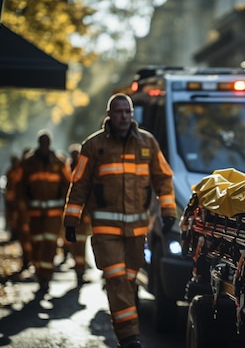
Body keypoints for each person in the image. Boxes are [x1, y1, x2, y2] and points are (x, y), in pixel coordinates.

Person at [63, 93, 176, 348]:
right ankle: (129, 337)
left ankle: (127, 321)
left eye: (128, 111)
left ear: (132, 114)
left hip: (137, 231)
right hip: (106, 231)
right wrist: (71, 221)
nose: (124, 116)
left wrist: (168, 212)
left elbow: (164, 178)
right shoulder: (93, 146)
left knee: (128, 279)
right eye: (119, 112)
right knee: (116, 278)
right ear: (109, 115)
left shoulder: (147, 143)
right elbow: (79, 184)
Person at [18, 130, 71, 292]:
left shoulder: (59, 162)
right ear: (38, 143)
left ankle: (45, 277)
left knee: (50, 244)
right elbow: (21, 186)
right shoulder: (29, 163)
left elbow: (67, 185)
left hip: (53, 215)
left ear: (50, 143)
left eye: (47, 142)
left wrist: (65, 206)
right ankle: (39, 270)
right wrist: (24, 207)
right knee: (37, 244)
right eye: (42, 142)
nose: (44, 145)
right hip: (34, 214)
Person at [66, 142, 92, 285]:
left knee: (81, 242)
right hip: (71, 215)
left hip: (83, 216)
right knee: (72, 243)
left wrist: (87, 213)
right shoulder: (65, 169)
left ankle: (80, 270)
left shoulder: (85, 169)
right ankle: (78, 266)